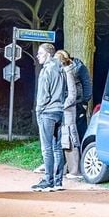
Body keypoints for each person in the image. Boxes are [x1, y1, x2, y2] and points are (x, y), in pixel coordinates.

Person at [33, 42, 66, 191]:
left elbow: (43, 95)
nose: (37, 56)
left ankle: (48, 180)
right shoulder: (62, 69)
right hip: (60, 111)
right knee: (57, 148)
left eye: (40, 53)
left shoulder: (46, 71)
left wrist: (38, 110)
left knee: (46, 148)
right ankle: (58, 181)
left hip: (47, 112)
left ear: (47, 54)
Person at [55, 50, 82, 180]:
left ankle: (75, 170)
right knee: (63, 140)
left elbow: (72, 95)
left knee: (70, 139)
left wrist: (63, 106)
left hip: (68, 111)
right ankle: (65, 168)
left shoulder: (68, 72)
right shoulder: (60, 72)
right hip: (62, 111)